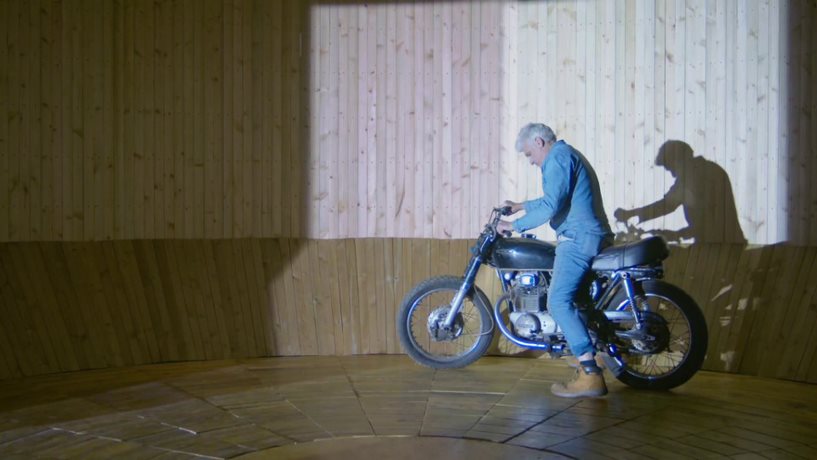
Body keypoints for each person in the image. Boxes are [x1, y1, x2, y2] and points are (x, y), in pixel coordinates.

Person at [497, 123, 613, 398]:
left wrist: (513, 226)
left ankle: (590, 374)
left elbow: (551, 206)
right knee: (577, 301)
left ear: (539, 142)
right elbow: (555, 199)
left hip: (577, 239)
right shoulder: (565, 155)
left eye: (529, 155)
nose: (531, 162)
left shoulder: (557, 158)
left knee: (557, 302)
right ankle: (592, 357)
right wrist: (521, 206)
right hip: (586, 234)